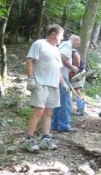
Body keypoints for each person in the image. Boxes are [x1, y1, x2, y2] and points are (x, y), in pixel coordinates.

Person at [24, 24, 70, 152]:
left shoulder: (56, 49)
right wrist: (30, 78)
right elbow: (29, 61)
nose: (62, 38)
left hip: (53, 85)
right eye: (61, 35)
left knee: (48, 112)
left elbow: (58, 70)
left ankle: (45, 138)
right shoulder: (39, 44)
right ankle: (29, 139)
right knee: (38, 110)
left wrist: (64, 84)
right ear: (54, 34)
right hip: (40, 83)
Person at [51, 35, 81, 133]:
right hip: (62, 76)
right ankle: (64, 125)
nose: (78, 45)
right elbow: (61, 56)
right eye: (78, 43)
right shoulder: (68, 45)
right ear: (75, 40)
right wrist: (72, 67)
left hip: (57, 75)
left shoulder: (62, 45)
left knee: (58, 101)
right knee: (66, 101)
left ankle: (55, 125)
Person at [71, 48, 86, 115]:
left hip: (79, 73)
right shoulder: (70, 52)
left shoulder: (75, 54)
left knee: (76, 89)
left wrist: (71, 74)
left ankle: (80, 109)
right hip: (74, 73)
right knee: (74, 89)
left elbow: (77, 68)